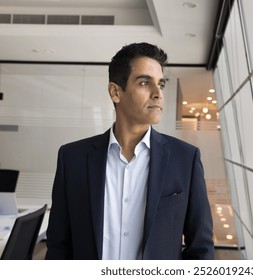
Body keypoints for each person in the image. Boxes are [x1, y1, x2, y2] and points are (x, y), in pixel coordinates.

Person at [45, 42, 214, 260]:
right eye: (145, 83)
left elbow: (200, 247)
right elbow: (59, 245)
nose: (158, 94)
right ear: (116, 92)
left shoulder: (185, 159)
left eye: (160, 84)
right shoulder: (72, 158)